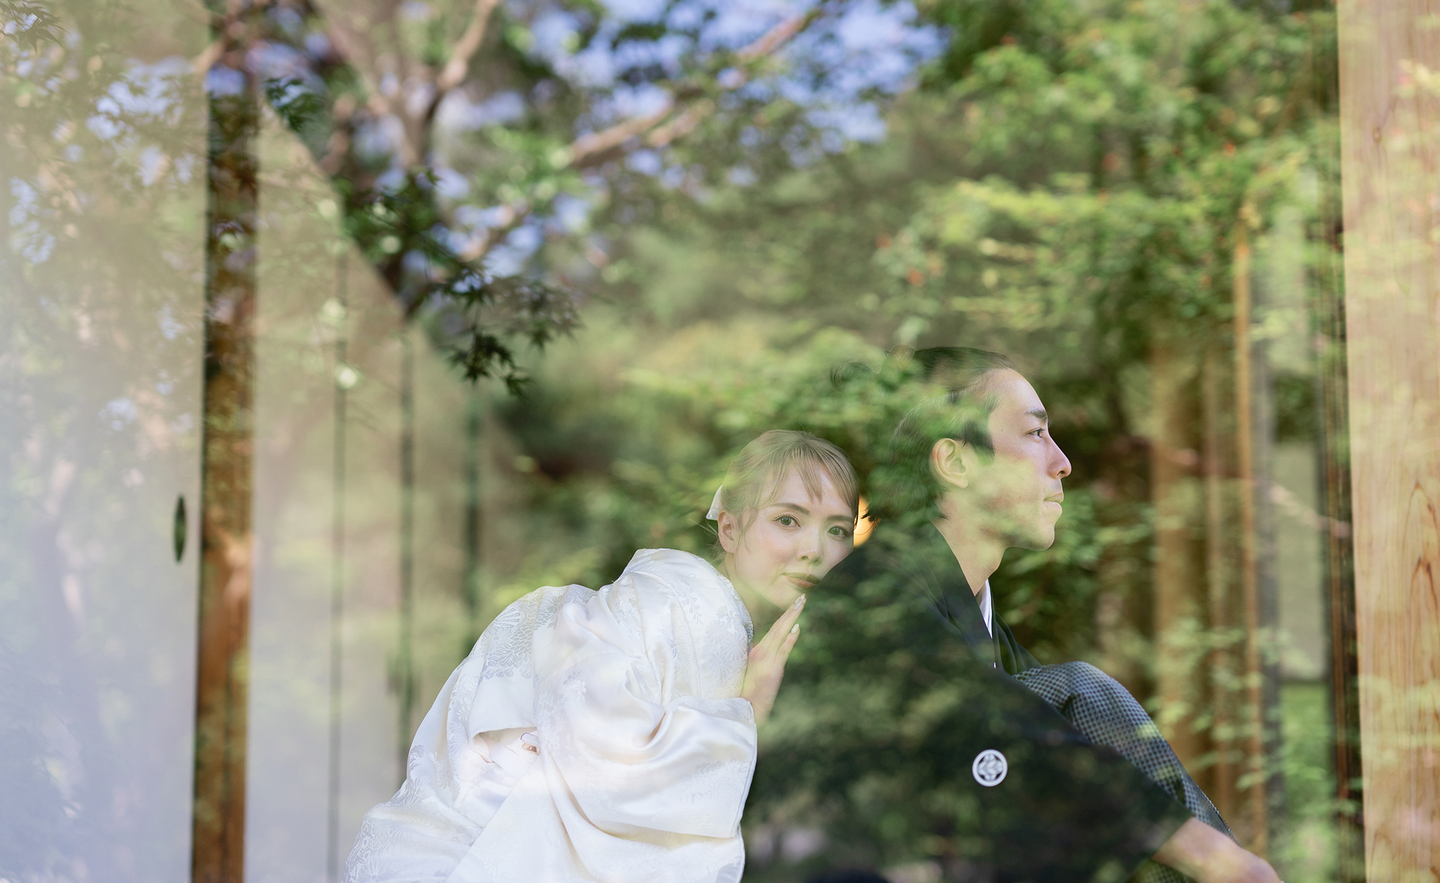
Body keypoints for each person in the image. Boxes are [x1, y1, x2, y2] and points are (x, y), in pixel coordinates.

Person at [792, 347, 1282, 883]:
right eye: (1034, 434)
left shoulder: (977, 624)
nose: (1061, 462)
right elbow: (988, 727)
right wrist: (1218, 859)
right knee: (1078, 695)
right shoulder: (874, 593)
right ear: (955, 463)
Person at [343, 429, 859, 883]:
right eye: (788, 520)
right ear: (729, 529)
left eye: (837, 530)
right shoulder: (697, 612)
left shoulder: (699, 609)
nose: (815, 549)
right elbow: (607, 756)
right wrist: (745, 715)